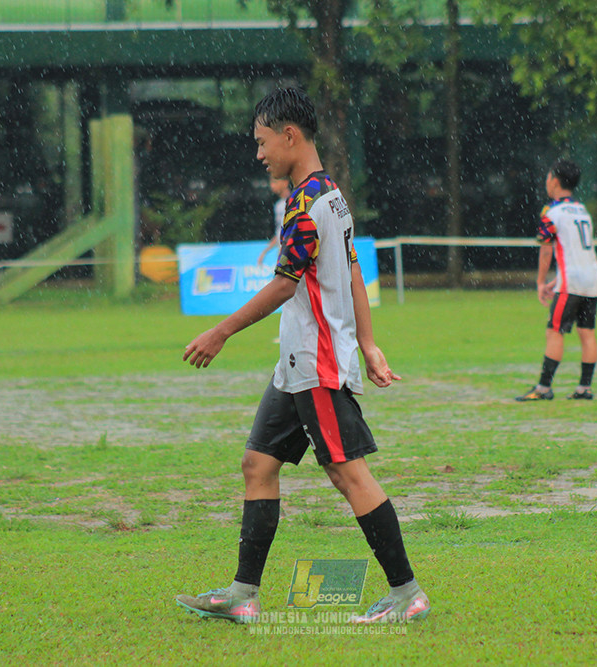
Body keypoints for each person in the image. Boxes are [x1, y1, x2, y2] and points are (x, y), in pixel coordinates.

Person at [177, 87, 430, 625]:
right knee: (257, 464)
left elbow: (285, 284)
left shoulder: (309, 206)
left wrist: (221, 331)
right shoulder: (331, 195)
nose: (259, 153)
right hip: (296, 362)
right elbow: (354, 269)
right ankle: (243, 593)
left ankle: (407, 592)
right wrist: (367, 340)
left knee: (347, 474)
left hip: (315, 364)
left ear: (290, 135)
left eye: (263, 141)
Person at [516, 159, 597, 401]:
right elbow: (577, 251)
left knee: (554, 331)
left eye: (547, 177)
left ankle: (543, 388)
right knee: (587, 333)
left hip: (571, 283)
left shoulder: (551, 212)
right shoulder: (582, 210)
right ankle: (584, 388)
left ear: (554, 181)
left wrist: (541, 281)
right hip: (593, 279)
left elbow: (546, 249)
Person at [256, 175, 291, 265]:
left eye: (274, 182)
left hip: (290, 255)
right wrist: (265, 251)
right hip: (282, 255)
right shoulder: (279, 205)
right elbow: (279, 232)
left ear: (285, 183)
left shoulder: (293, 203)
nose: (272, 186)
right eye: (271, 183)